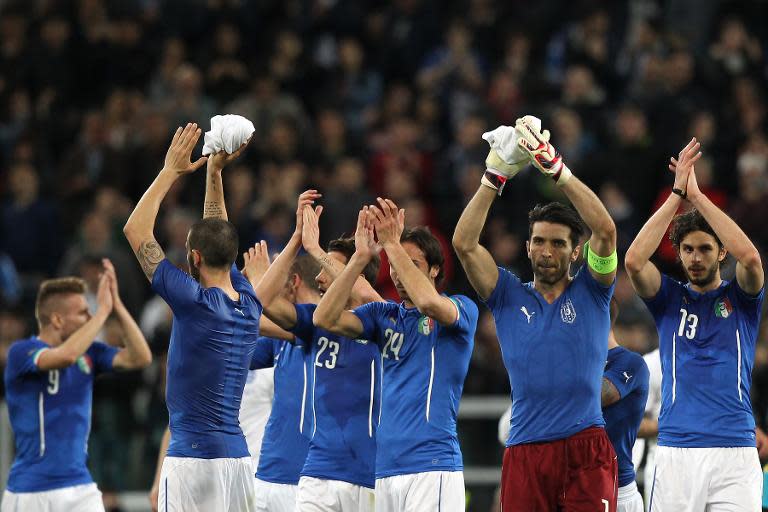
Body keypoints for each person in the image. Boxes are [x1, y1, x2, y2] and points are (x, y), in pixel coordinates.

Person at [452, 117, 619, 511]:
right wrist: (493, 177)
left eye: (559, 243)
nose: (548, 251)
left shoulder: (594, 290)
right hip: (526, 449)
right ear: (527, 248)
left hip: (587, 448)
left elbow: (606, 231)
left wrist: (557, 170)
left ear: (575, 251)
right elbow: (464, 244)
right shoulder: (507, 294)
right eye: (539, 242)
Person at [123, 122, 291, 512]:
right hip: (236, 460)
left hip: (190, 462)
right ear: (233, 260)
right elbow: (218, 230)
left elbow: (135, 230)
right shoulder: (248, 300)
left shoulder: (192, 301)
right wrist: (215, 173)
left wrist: (171, 171)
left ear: (193, 258)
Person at [624, 137, 764, 511]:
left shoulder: (742, 299)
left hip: (735, 450)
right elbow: (635, 260)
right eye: (688, 249)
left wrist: (699, 198)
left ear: (721, 252)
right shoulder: (669, 299)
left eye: (705, 248)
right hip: (676, 452)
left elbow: (750, 258)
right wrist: (677, 194)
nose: (696, 257)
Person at [314, 200, 478, 511]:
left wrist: (391, 242)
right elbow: (324, 318)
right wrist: (359, 259)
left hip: (433, 466)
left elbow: (429, 303)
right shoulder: (382, 315)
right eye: (394, 264)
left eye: (411, 264)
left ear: (435, 269)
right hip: (386, 469)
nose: (399, 274)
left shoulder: (459, 309)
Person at [251, 200, 383, 512]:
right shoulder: (314, 324)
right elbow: (262, 300)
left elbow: (366, 294)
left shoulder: (385, 322)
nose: (319, 279)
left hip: (367, 474)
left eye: (326, 270)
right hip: (317, 472)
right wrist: (298, 239)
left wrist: (328, 252)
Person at [2, 259, 152, 512]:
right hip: (30, 491)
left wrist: (116, 305)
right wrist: (103, 312)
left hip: (80, 488)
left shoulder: (91, 353)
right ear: (58, 320)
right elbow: (65, 356)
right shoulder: (22, 352)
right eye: (83, 312)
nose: (91, 316)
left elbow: (140, 357)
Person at [602, 298, 650, 512]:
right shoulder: (568, 362)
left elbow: (602, 395)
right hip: (571, 483)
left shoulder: (631, 363)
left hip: (618, 489)